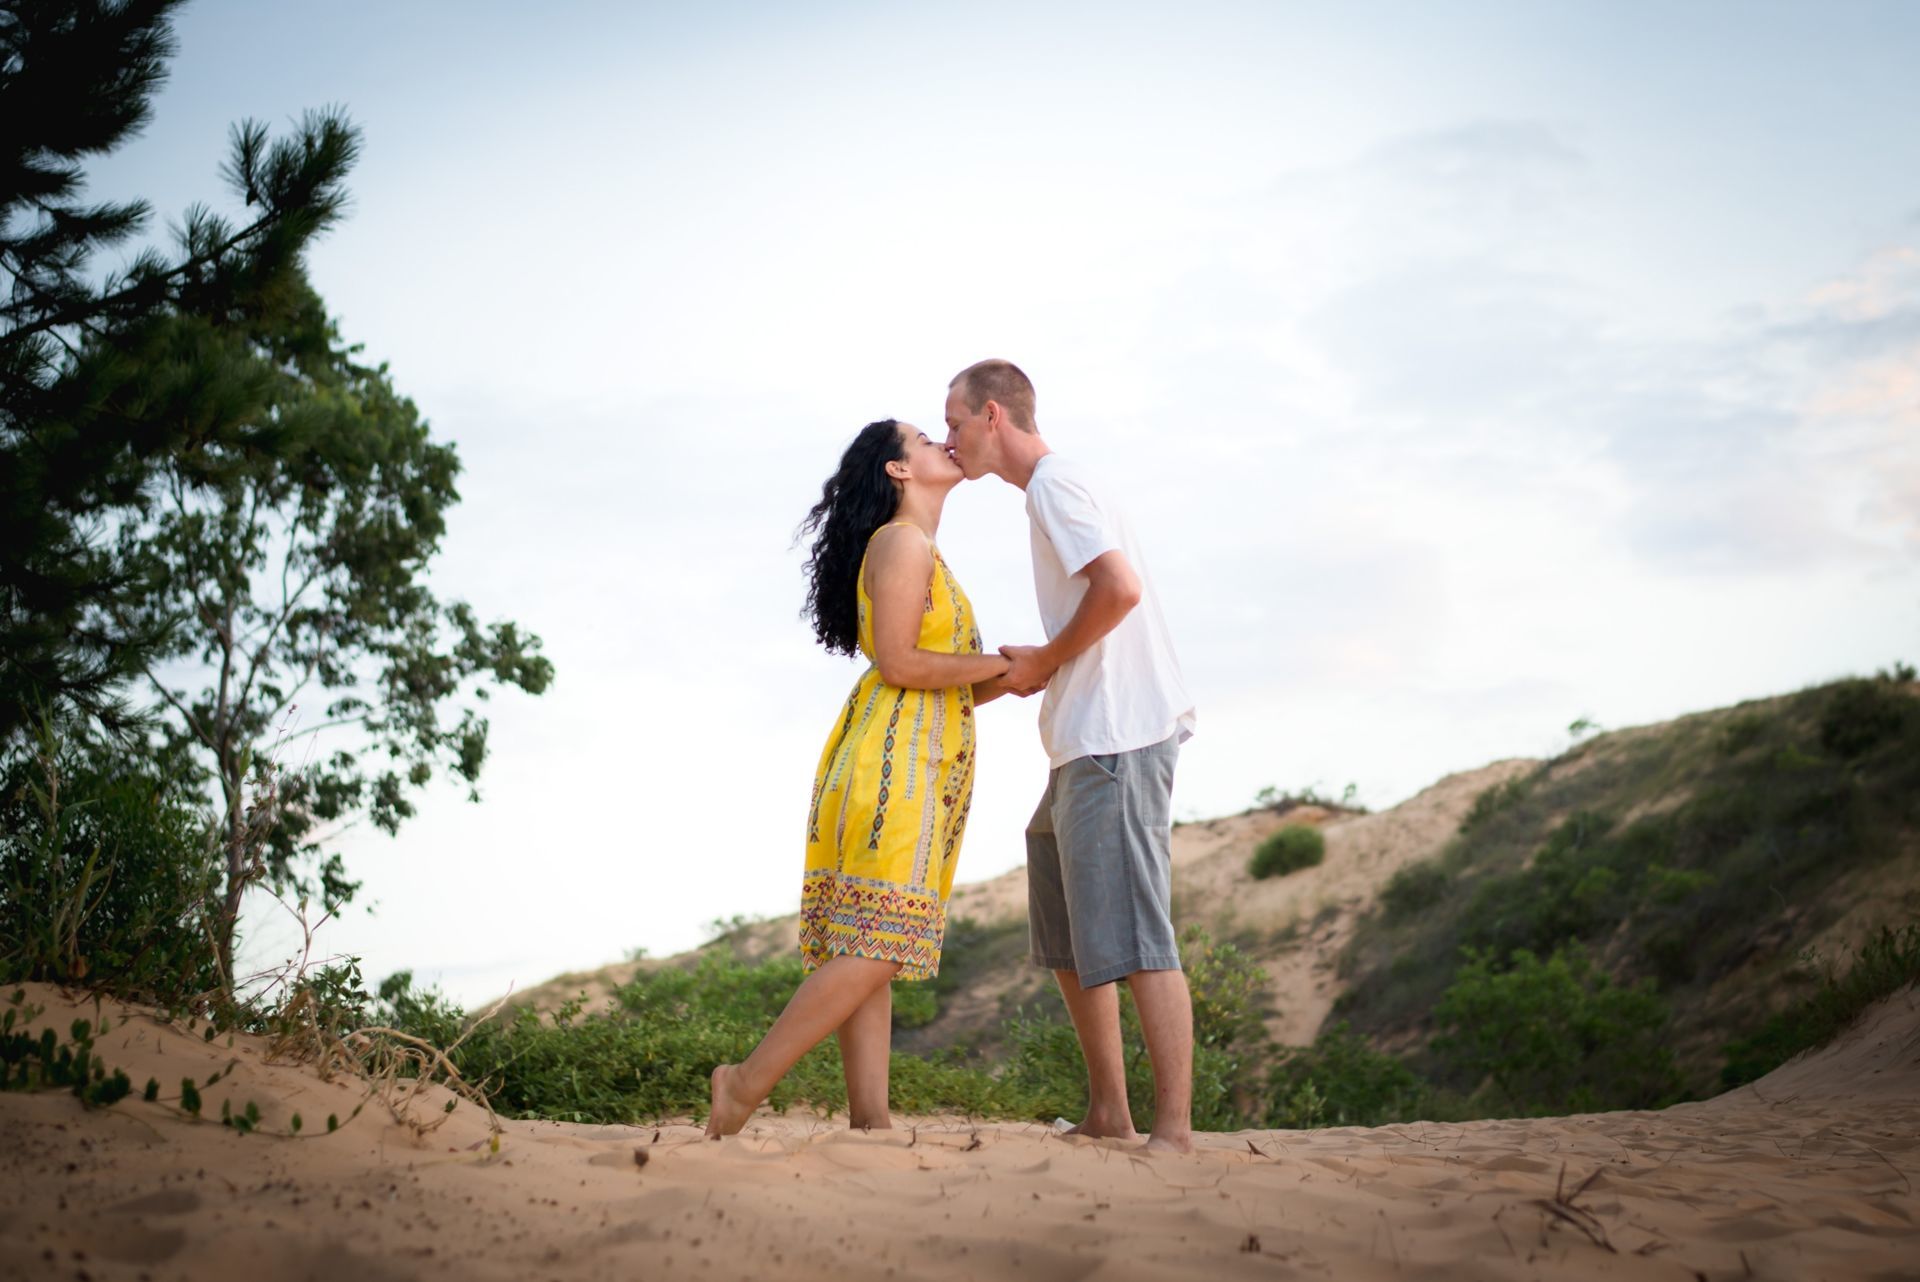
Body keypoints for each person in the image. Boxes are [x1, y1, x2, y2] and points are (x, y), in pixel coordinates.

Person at [706, 418, 1016, 1139]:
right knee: (876, 942)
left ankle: (871, 1121)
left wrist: (1020, 672)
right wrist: (1006, 664)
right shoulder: (905, 543)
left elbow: (944, 680)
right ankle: (743, 1085)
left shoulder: (917, 548)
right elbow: (905, 665)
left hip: (901, 752)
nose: (942, 440)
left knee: (863, 942)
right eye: (921, 436)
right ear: (898, 471)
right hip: (896, 762)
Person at [942, 361, 1199, 1153]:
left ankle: (1175, 1132)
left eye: (953, 422)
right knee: (1066, 929)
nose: (948, 438)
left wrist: (1048, 660)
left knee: (1138, 935)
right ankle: (1109, 1114)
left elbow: (1118, 590)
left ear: (993, 415)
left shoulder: (1054, 484)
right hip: (1083, 736)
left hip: (1117, 735)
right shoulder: (1054, 490)